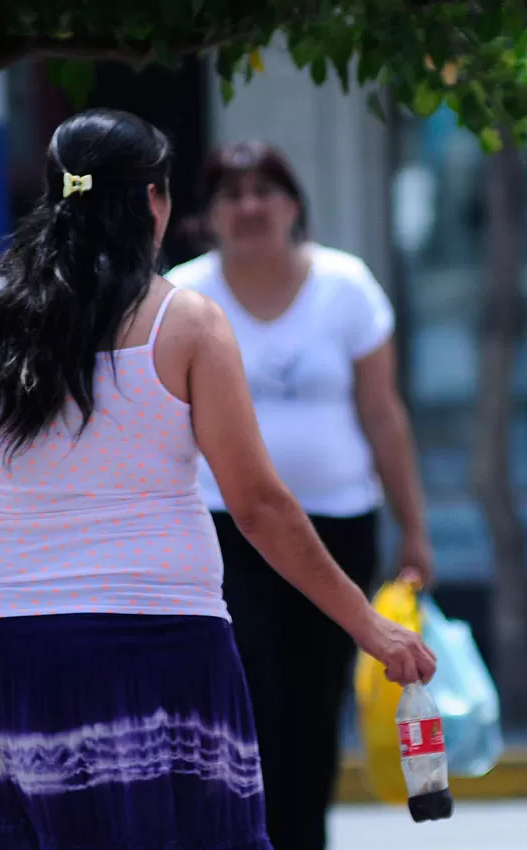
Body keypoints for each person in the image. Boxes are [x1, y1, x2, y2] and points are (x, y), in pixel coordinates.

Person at [0, 109, 435, 850]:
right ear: (153, 201)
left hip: (7, 638)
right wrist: (368, 625)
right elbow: (260, 506)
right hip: (158, 635)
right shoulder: (187, 321)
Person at [165, 140, 432, 850]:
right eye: (232, 193)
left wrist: (415, 529)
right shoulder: (183, 296)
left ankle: (302, 838)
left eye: (265, 190)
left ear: (294, 205)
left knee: (315, 707)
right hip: (225, 533)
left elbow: (383, 414)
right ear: (209, 214)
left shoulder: (346, 286)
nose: (250, 206)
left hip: (339, 527)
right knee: (249, 700)